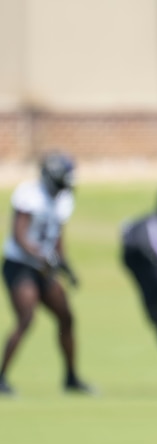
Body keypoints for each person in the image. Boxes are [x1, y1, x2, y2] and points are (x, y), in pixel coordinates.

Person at [0, 152, 92, 395]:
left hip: (45, 267)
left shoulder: (64, 198)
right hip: (20, 265)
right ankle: (1, 378)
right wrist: (42, 255)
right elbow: (20, 235)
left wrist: (65, 264)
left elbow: (58, 234)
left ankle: (71, 377)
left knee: (66, 317)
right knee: (26, 317)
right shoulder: (29, 194)